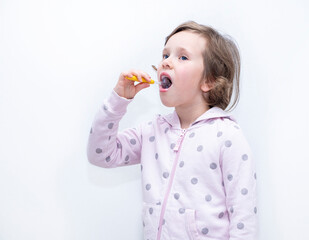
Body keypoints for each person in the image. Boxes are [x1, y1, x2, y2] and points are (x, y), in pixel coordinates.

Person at [87, 21, 257, 240]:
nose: (166, 63)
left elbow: (243, 220)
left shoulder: (227, 136)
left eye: (182, 57)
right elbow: (100, 154)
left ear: (209, 81)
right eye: (165, 55)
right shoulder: (152, 132)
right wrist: (119, 100)